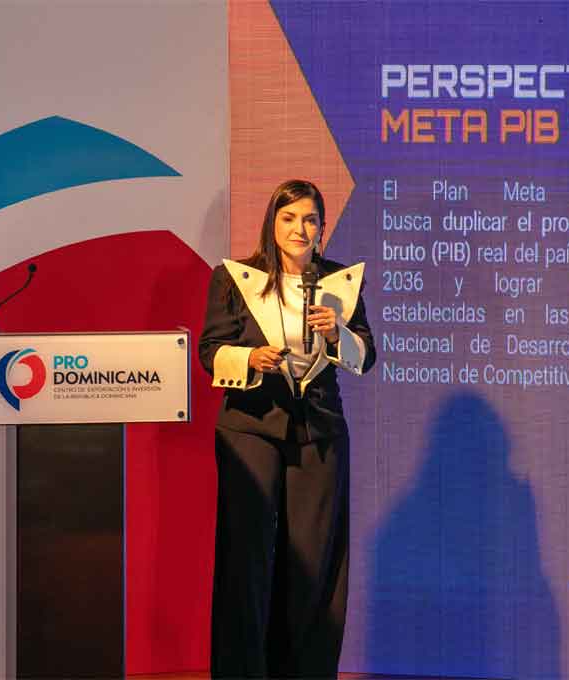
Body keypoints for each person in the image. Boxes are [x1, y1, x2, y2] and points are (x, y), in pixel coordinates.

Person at [198, 179, 376, 678]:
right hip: (250, 428)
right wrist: (250, 357)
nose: (300, 229)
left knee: (315, 558)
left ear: (322, 227)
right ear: (272, 223)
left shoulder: (341, 282)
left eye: (310, 219)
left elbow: (366, 356)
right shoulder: (235, 278)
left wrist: (337, 333)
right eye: (289, 218)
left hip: (319, 430)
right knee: (246, 556)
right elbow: (210, 351)